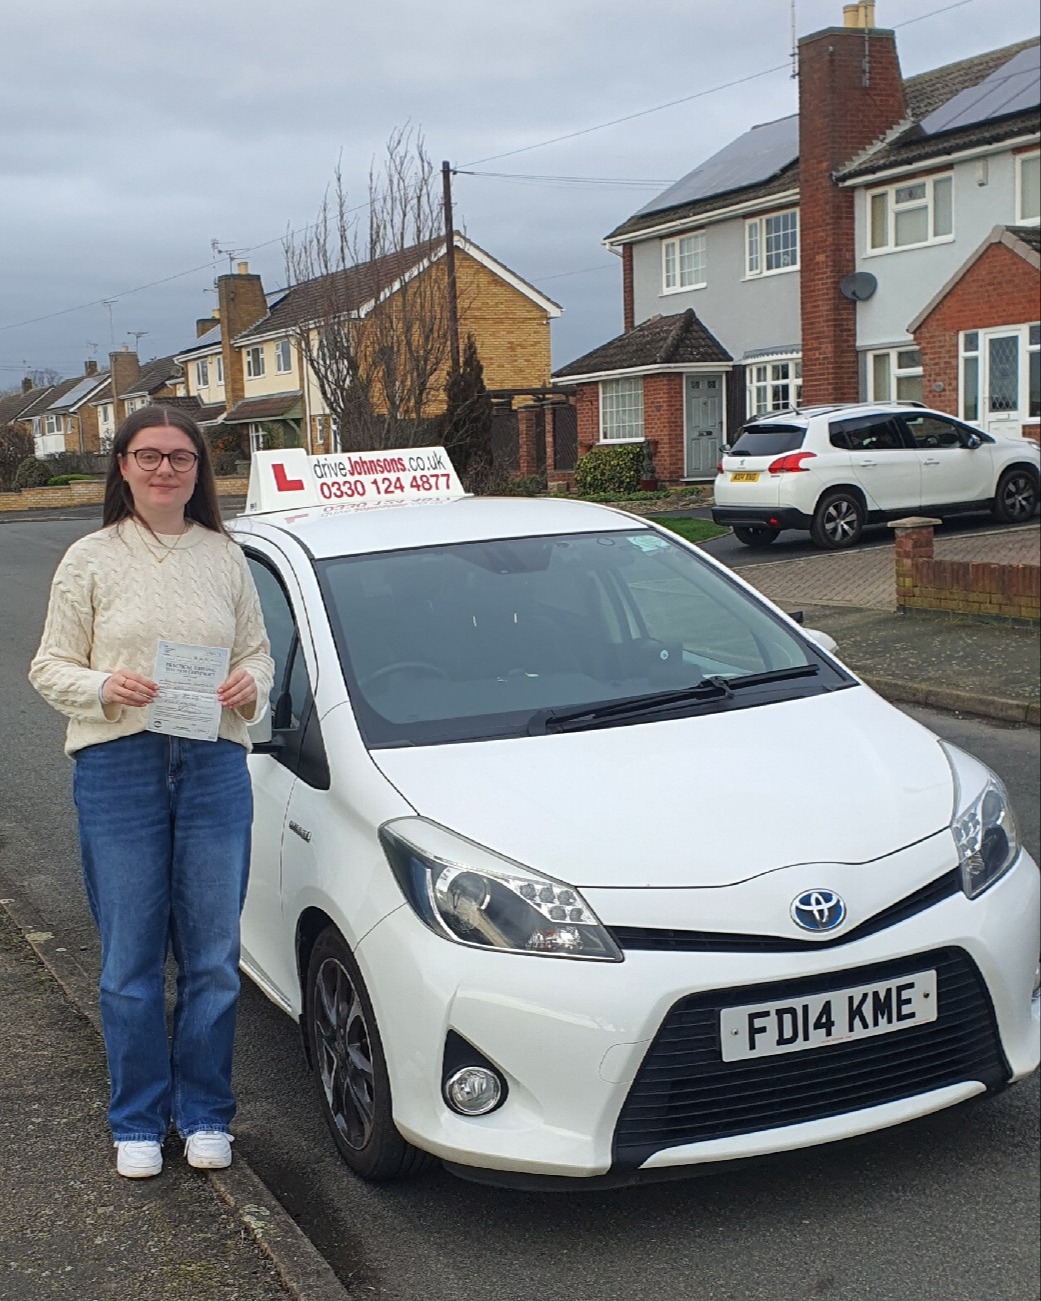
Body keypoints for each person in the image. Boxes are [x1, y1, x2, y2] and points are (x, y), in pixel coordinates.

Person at [29, 405, 273, 1180]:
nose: (165, 469)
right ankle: (136, 1117)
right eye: (149, 455)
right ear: (124, 466)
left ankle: (203, 1112)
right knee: (130, 957)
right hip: (119, 767)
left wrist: (246, 685)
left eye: (181, 457)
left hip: (210, 766)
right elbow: (49, 667)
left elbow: (261, 658)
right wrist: (105, 682)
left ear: (199, 470)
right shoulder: (90, 558)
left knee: (212, 957)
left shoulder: (224, 556)